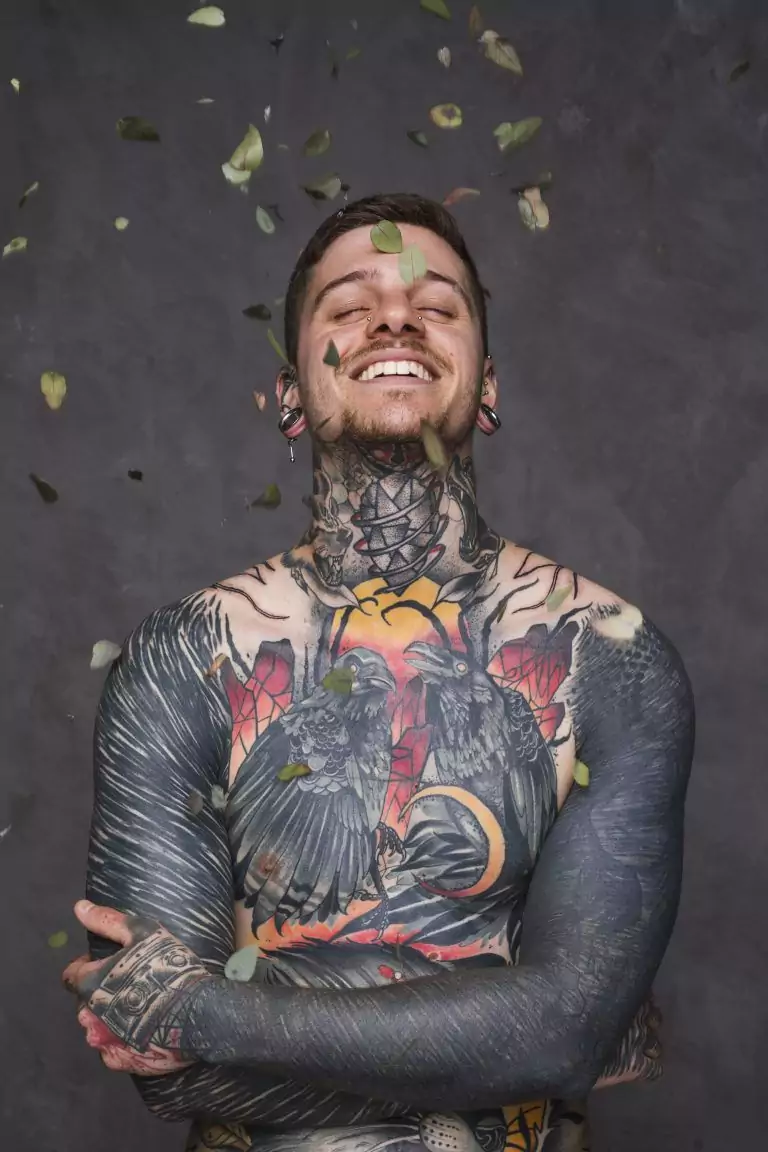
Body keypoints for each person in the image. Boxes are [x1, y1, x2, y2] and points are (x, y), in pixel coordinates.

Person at [62, 192, 695, 1152]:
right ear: (286, 395)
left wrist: (212, 1015)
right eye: (349, 306)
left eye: (437, 305)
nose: (394, 318)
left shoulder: (604, 656)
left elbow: (565, 1038)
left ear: (488, 385)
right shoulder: (188, 656)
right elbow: (158, 1067)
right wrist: (521, 1034)